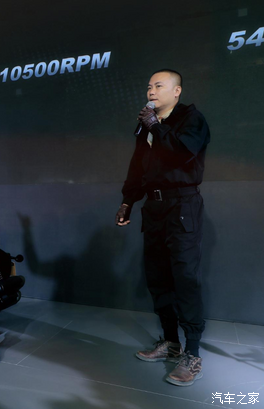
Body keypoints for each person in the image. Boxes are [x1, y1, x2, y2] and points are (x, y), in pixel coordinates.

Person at [115, 69, 210, 386]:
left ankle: (192, 353)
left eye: (158, 85)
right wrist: (128, 201)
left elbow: (181, 155)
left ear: (177, 91)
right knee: (158, 277)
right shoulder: (147, 125)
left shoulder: (191, 119)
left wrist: (156, 125)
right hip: (153, 208)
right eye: (149, 86)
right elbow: (138, 166)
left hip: (182, 206)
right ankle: (171, 342)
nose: (151, 91)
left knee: (185, 278)